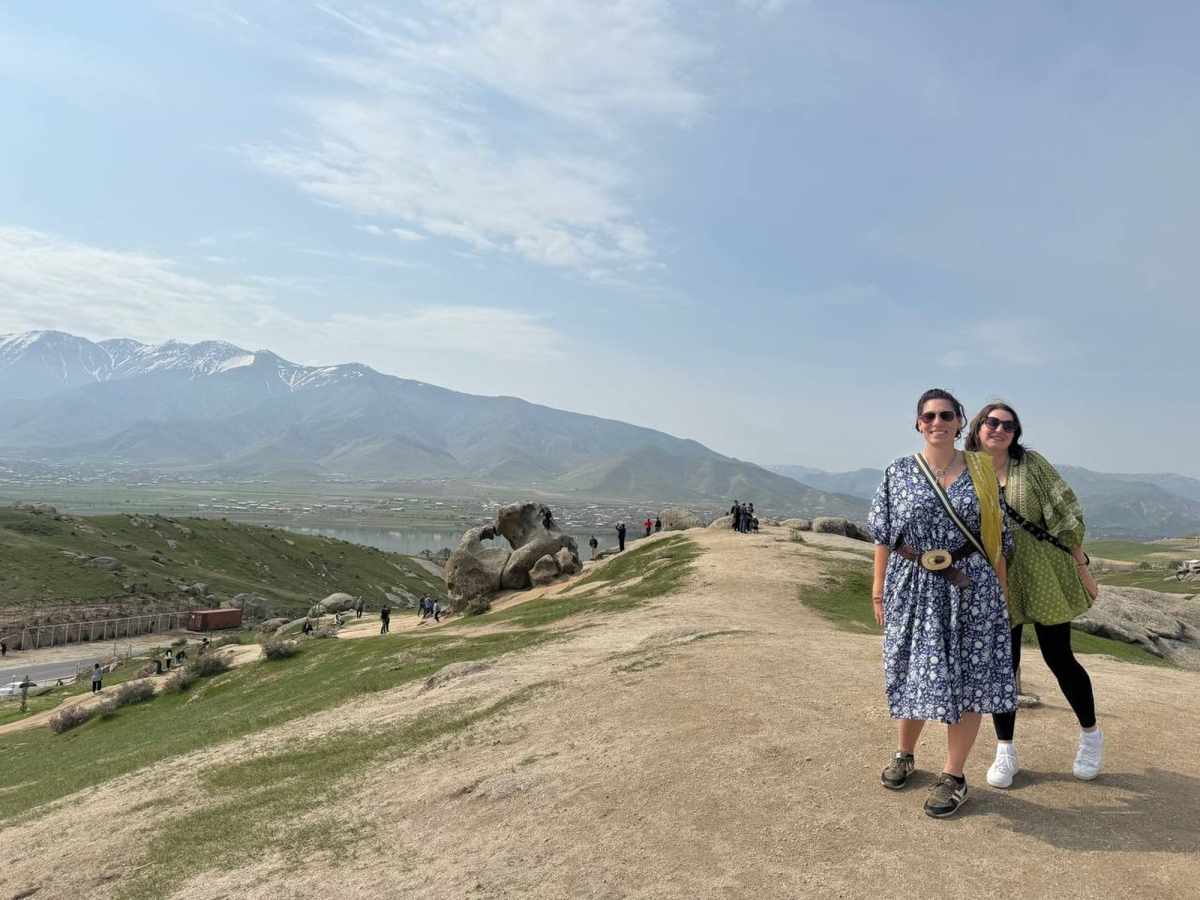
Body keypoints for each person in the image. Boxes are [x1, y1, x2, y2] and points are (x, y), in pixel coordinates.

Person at [868, 387, 1015, 819]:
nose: (937, 422)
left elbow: (997, 541)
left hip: (972, 587)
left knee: (968, 677)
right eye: (929, 416)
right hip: (912, 585)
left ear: (959, 422)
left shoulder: (982, 472)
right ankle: (905, 753)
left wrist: (1001, 597)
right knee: (911, 669)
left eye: (946, 415)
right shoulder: (898, 472)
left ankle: (953, 775)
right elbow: (883, 536)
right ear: (918, 423)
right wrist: (878, 590)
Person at [966, 402, 1104, 786]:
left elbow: (1066, 514)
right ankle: (1005, 751)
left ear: (1016, 433)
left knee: (1059, 657)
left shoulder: (1031, 465)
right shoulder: (966, 469)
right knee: (1003, 665)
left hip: (1043, 572)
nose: (1000, 429)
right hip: (996, 577)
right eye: (993, 422)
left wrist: (1081, 565)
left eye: (1009, 425)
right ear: (978, 426)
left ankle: (1091, 736)